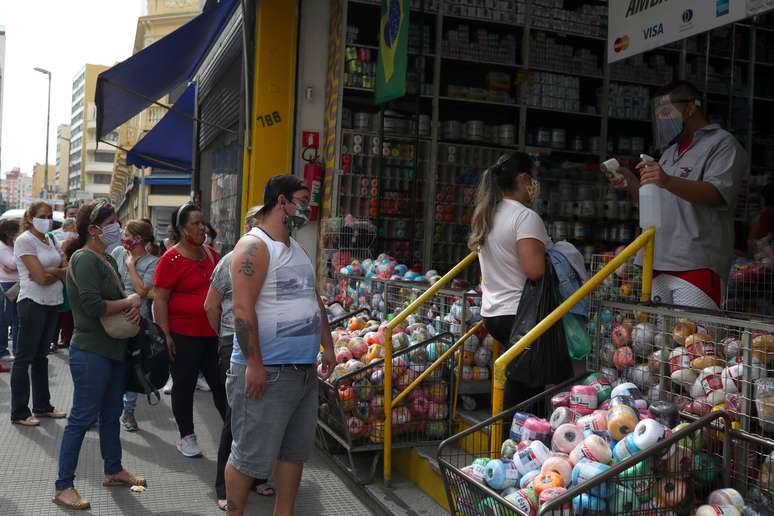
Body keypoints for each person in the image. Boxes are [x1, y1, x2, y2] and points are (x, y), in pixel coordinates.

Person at [225, 175, 335, 516]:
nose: (308, 208)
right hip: (266, 372)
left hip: (302, 373)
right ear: (282, 202)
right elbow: (242, 311)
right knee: (248, 457)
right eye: (302, 200)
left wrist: (327, 346)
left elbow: (313, 298)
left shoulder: (297, 247)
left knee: (293, 454)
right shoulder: (254, 247)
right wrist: (254, 364)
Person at [613, 81, 747, 309]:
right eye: (658, 115)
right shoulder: (668, 153)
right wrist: (629, 180)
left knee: (691, 340)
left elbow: (717, 193)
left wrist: (667, 180)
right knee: (657, 342)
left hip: (696, 263)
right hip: (657, 260)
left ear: (690, 109)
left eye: (667, 112)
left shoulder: (722, 144)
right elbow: (653, 203)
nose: (663, 120)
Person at [53, 200, 146, 510]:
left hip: (112, 350)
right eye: (112, 223)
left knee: (110, 415)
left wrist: (129, 307)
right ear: (93, 229)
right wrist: (130, 300)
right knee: (81, 418)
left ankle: (113, 469)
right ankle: (64, 486)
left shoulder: (103, 257)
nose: (117, 228)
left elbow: (111, 301)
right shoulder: (84, 259)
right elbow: (93, 306)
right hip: (91, 351)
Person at [468, 153, 572, 411]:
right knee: (525, 393)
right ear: (524, 179)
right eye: (534, 179)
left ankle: (513, 441)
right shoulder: (525, 217)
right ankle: (514, 444)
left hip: (494, 313)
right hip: (521, 315)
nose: (536, 186)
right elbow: (535, 270)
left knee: (520, 383)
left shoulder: (488, 213)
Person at [205, 206, 270, 510]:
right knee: (236, 418)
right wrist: (224, 335)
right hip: (233, 342)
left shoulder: (275, 259)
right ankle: (224, 486)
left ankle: (255, 478)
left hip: (267, 344)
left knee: (261, 417)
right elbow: (211, 304)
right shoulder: (231, 260)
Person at [153, 202, 227, 458]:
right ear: (182, 230)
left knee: (221, 384)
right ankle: (186, 436)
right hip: (183, 334)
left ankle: (233, 434)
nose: (202, 227)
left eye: (203, 222)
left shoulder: (210, 254)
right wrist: (166, 334)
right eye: (195, 223)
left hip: (212, 333)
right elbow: (160, 299)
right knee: (183, 385)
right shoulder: (170, 259)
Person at [10, 202, 68, 426]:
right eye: (43, 216)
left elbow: (62, 270)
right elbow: (40, 279)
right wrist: (57, 272)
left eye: (50, 215)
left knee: (41, 357)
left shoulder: (51, 239)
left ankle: (42, 406)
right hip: (32, 301)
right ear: (31, 217)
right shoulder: (24, 240)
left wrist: (52, 271)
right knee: (24, 358)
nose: (48, 219)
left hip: (53, 301)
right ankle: (19, 412)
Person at [111, 219, 160, 432]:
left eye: (127, 234)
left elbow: (141, 290)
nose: (123, 237)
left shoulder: (152, 262)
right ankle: (103, 410)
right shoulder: (116, 253)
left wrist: (131, 265)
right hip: (113, 314)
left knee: (132, 364)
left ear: (138, 238)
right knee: (110, 362)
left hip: (136, 319)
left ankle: (128, 411)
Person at [0, 219, 20, 364]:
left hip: (17, 284)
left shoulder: (13, 246)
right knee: (5, 319)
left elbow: (13, 265)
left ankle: (18, 350)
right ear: (8, 233)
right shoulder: (2, 246)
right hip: (6, 286)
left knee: (17, 319)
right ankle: (2, 351)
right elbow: (12, 264)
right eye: (16, 232)